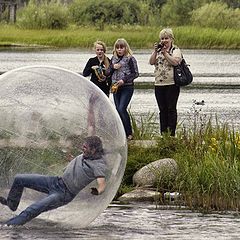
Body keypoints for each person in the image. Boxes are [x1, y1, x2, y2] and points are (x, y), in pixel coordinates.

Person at [0, 95, 106, 226]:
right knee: (19, 178)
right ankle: (11, 204)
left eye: (85, 148)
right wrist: (91, 104)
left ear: (94, 150)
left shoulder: (98, 164)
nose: (82, 149)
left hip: (64, 194)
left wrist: (98, 191)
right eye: (82, 146)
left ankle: (8, 227)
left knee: (33, 209)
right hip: (56, 182)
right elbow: (91, 124)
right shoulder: (91, 144)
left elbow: (102, 183)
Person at [149, 28, 182, 137]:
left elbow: (175, 62)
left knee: (171, 109)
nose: (164, 41)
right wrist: (155, 51)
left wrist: (165, 53)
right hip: (159, 84)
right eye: (162, 38)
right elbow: (151, 62)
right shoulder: (158, 51)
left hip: (171, 84)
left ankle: (171, 134)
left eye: (166, 38)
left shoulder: (175, 50)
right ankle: (163, 134)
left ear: (171, 39)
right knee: (162, 110)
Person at [106, 38, 139, 140]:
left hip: (127, 87)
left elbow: (136, 73)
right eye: (117, 48)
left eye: (121, 48)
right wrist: (112, 68)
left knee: (122, 108)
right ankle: (121, 133)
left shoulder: (130, 59)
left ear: (126, 48)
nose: (119, 50)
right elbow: (107, 73)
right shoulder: (113, 59)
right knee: (117, 110)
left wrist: (124, 80)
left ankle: (129, 133)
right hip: (116, 87)